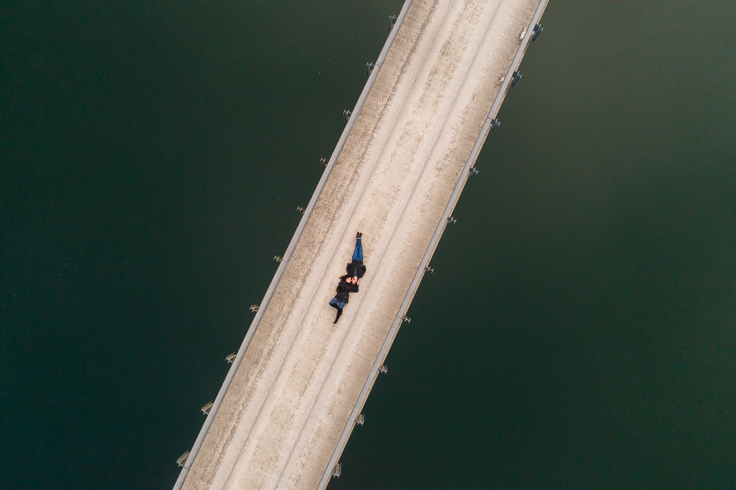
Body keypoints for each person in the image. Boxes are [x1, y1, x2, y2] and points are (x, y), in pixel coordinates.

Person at [329, 232, 366, 324]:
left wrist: (349, 265)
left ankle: (358, 238)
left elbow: (340, 287)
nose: (353, 279)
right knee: (359, 249)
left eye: (352, 280)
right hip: (359, 261)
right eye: (353, 280)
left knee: (356, 249)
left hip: (353, 261)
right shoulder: (360, 275)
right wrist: (357, 283)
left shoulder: (349, 274)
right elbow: (356, 288)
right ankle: (358, 238)